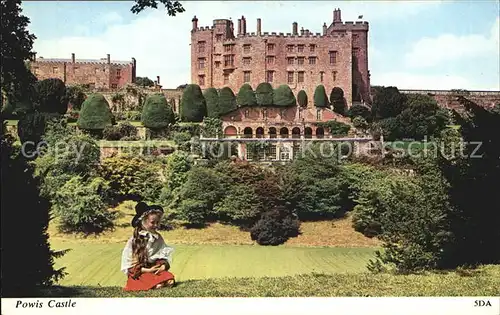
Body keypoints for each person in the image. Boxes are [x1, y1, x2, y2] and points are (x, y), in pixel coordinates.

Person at [121, 202, 175, 291]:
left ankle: (158, 282)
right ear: (143, 222)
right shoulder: (135, 240)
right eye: (152, 222)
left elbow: (161, 254)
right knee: (155, 283)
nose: (155, 225)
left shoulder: (157, 238)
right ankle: (155, 283)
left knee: (169, 279)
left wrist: (163, 266)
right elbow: (131, 265)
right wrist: (148, 270)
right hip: (141, 271)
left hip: (154, 268)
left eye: (157, 222)